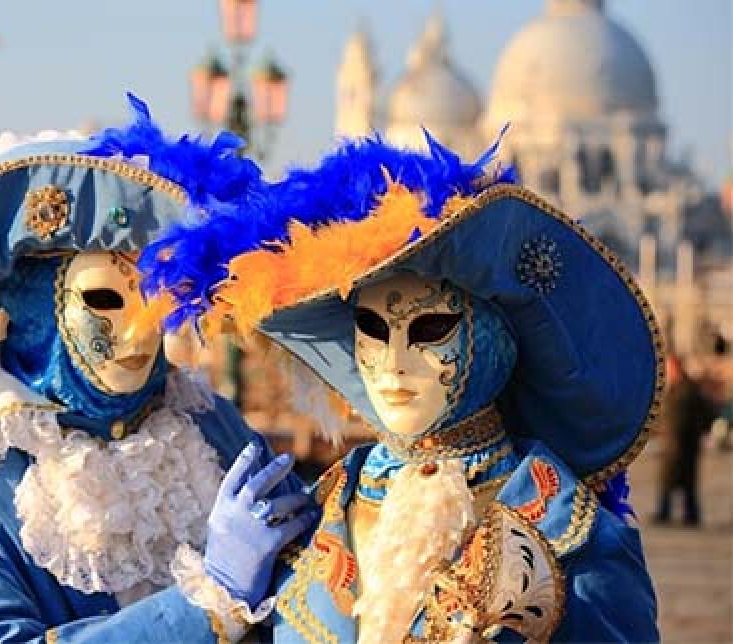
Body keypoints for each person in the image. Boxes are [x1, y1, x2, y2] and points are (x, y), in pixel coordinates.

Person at [0, 94, 315, 643]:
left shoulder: (210, 428)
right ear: (37, 310)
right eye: (104, 300)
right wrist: (208, 606)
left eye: (156, 299)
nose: (139, 331)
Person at [140, 130, 662, 642]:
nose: (394, 363)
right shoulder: (313, 518)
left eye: (431, 329)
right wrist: (220, 604)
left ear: (495, 341)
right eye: (372, 329)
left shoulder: (564, 531)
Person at [654, 353, 716, 526]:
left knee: (684, 482)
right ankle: (672, 513)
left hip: (683, 446)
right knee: (673, 482)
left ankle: (687, 514)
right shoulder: (676, 389)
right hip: (674, 445)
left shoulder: (688, 390)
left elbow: (706, 415)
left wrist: (696, 433)